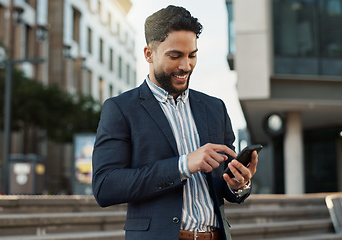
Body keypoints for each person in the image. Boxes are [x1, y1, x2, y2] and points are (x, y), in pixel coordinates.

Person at [92, 5, 259, 240]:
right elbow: (105, 186)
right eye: (175, 56)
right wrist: (183, 165)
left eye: (192, 55)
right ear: (149, 53)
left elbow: (224, 188)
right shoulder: (120, 109)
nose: (185, 66)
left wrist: (238, 183)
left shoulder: (215, 108)